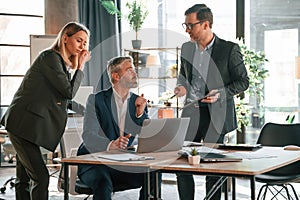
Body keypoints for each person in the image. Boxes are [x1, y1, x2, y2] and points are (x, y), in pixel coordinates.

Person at [0, 22, 91, 200]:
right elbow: (68, 92)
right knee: (41, 177)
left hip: (28, 127)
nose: (82, 46)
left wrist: (90, 111)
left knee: (23, 179)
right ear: (65, 38)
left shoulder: (60, 64)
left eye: (85, 43)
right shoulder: (50, 57)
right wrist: (80, 66)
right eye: (79, 40)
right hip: (22, 125)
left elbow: (63, 98)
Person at [174, 4, 249, 200]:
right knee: (181, 165)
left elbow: (243, 82)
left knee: (212, 169)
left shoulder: (229, 49)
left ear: (206, 24)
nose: (187, 30)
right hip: (191, 112)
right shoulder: (187, 48)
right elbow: (184, 76)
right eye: (185, 25)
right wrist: (181, 87)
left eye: (190, 25)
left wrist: (221, 93)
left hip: (216, 115)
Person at [77, 56, 161, 200]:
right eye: (130, 70)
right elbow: (88, 135)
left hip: (123, 163)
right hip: (95, 163)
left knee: (153, 172)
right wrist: (111, 145)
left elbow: (145, 134)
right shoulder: (96, 100)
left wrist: (140, 113)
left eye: (134, 69)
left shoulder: (137, 101)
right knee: (103, 182)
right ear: (116, 76)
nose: (135, 73)